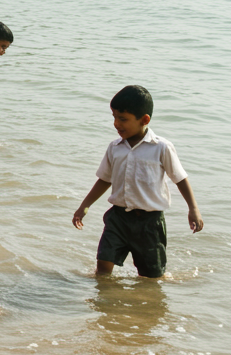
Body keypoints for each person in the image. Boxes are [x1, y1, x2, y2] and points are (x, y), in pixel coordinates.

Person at [72, 85, 203, 279]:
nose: (116, 123)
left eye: (123, 119)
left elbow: (180, 178)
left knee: (152, 278)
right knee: (102, 269)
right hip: (118, 218)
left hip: (150, 223)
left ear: (144, 120)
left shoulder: (161, 147)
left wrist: (193, 209)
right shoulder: (115, 147)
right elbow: (104, 180)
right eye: (114, 117)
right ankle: (105, 303)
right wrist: (84, 206)